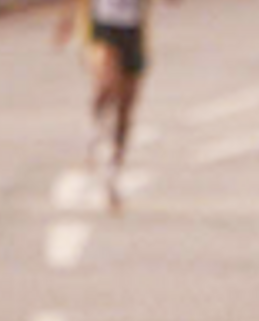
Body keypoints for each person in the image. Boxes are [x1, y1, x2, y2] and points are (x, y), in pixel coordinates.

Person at [56, 0, 174, 212]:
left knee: (125, 109)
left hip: (133, 32)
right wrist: (67, 21)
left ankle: (113, 174)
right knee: (107, 84)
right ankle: (93, 132)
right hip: (102, 28)